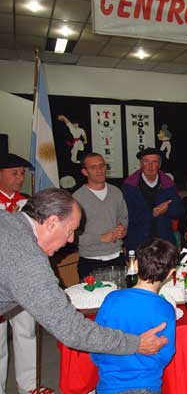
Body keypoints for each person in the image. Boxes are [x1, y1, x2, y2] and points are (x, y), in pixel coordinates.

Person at [0, 188, 169, 366]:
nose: (71, 240)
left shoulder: (8, 220)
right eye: (70, 230)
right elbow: (71, 329)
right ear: (51, 223)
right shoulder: (27, 259)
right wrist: (136, 344)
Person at [91, 238, 177, 394]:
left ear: (135, 265)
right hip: (147, 383)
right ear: (170, 274)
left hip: (109, 384)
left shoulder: (112, 299)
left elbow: (97, 344)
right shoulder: (166, 309)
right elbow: (165, 354)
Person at [0, 153, 37, 394]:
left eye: (22, 173)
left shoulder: (29, 204)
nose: (20, 178)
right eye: (14, 173)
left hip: (23, 281)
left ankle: (29, 387)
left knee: (27, 333)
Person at [73, 153, 128, 280]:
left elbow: (123, 218)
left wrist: (122, 229)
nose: (99, 170)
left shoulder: (116, 192)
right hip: (91, 260)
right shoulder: (77, 198)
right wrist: (100, 238)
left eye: (102, 165)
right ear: (84, 172)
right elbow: (73, 236)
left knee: (119, 298)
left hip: (117, 258)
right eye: (93, 167)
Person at [122, 148, 184, 252]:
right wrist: (152, 214)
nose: (150, 166)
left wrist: (167, 210)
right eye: (146, 161)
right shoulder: (130, 185)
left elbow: (179, 211)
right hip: (138, 242)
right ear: (141, 164)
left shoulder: (168, 184)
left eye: (154, 162)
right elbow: (126, 215)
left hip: (164, 241)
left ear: (159, 165)